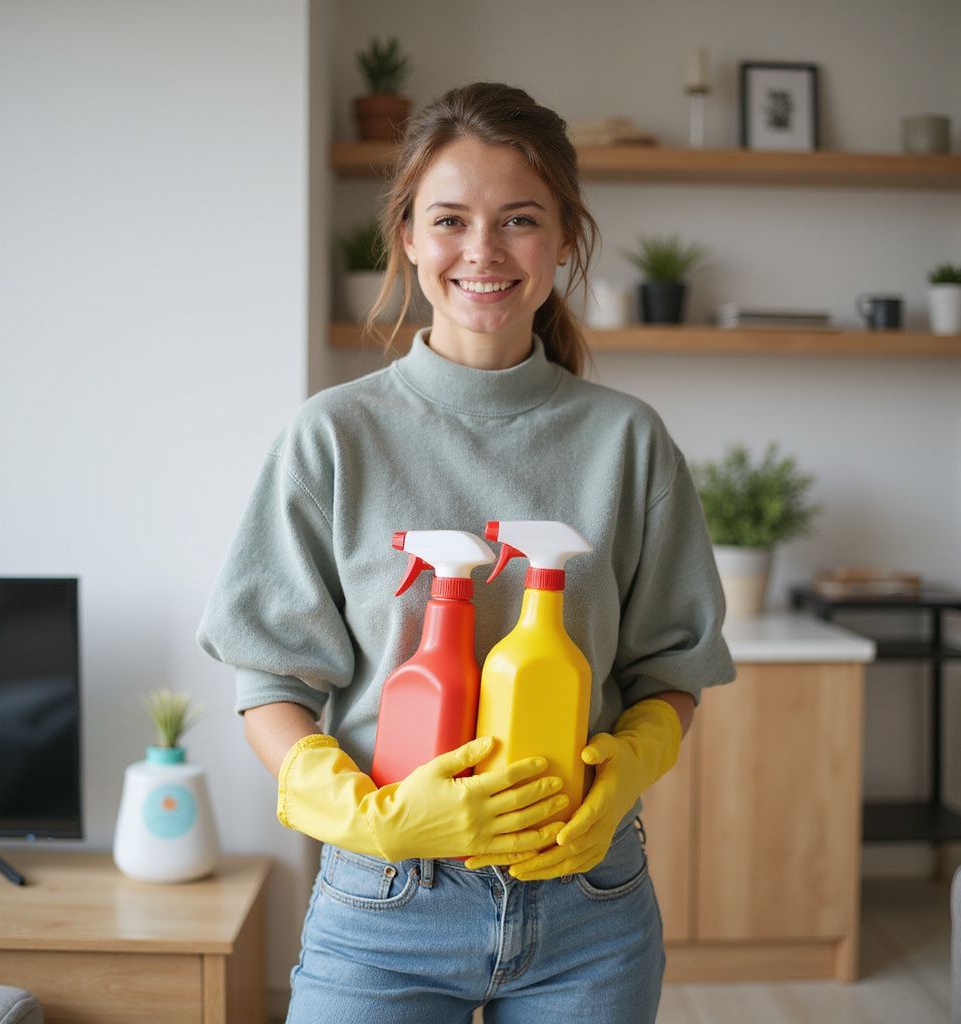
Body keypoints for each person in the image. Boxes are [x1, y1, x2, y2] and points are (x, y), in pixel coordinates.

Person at [197, 81, 736, 1023]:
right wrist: (367, 817)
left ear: (565, 237)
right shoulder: (333, 439)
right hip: (387, 909)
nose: (483, 252)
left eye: (519, 219)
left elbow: (671, 670)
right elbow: (269, 685)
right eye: (450, 219)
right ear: (406, 234)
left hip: (589, 909)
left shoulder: (628, 443)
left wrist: (625, 776)